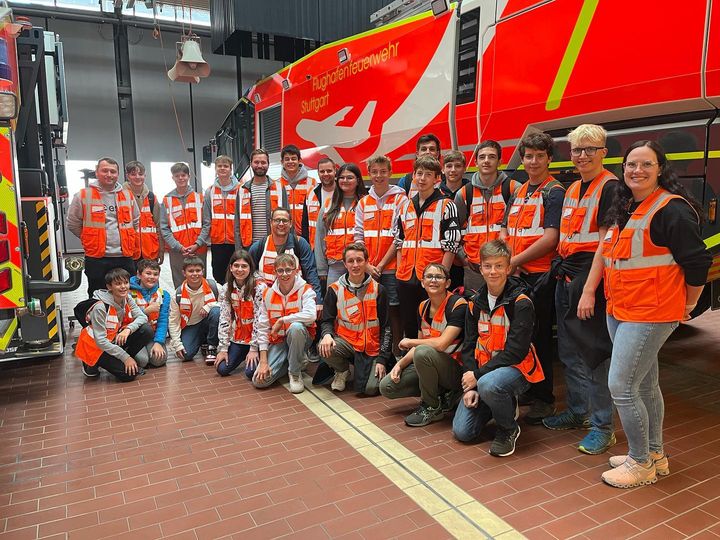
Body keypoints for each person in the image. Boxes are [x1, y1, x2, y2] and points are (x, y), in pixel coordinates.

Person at [600, 140, 711, 488]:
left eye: (646, 164)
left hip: (650, 313)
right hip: (622, 309)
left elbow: (698, 263)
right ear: (623, 169)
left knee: (621, 386)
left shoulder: (671, 209)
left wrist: (688, 304)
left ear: (660, 169)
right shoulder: (628, 205)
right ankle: (654, 454)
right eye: (631, 164)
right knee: (645, 385)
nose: (638, 170)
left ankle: (640, 463)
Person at [542, 124, 619, 453]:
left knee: (594, 353)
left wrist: (589, 289)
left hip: (590, 277)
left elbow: (604, 244)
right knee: (569, 350)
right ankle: (578, 411)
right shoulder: (573, 188)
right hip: (567, 275)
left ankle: (603, 426)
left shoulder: (610, 187)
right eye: (577, 149)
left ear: (603, 152)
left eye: (590, 149)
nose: (582, 155)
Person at [452, 240, 544, 457]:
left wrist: (477, 377)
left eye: (499, 266)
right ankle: (499, 404)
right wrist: (470, 386)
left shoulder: (521, 302)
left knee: (490, 385)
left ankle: (508, 429)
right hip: (484, 374)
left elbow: (516, 352)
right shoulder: (474, 303)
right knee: (463, 432)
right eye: (488, 266)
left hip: (517, 369)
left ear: (508, 268)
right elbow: (469, 345)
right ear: (480, 268)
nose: (493, 271)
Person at [500, 132, 565, 425]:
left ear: (549, 159)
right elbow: (505, 227)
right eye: (528, 156)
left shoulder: (554, 192)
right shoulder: (520, 190)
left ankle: (544, 398)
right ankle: (528, 386)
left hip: (539, 277)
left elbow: (551, 238)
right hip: (517, 275)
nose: (533, 161)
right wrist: (508, 258)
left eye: (540, 156)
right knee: (520, 337)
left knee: (539, 338)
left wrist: (513, 261)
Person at [380, 263, 466, 427]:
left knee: (423, 352)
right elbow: (420, 344)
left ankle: (432, 406)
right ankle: (441, 394)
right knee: (387, 387)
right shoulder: (423, 306)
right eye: (429, 277)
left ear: (447, 283)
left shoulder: (458, 305)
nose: (433, 280)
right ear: (422, 282)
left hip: (455, 370)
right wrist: (400, 364)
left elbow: (441, 344)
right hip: (430, 364)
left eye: (439, 277)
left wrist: (410, 341)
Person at [395, 156, 461, 340]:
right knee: (409, 322)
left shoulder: (447, 205)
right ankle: (409, 356)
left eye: (428, 174)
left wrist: (441, 277)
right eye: (419, 173)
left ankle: (429, 355)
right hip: (406, 276)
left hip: (432, 278)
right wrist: (400, 271)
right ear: (413, 176)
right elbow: (399, 241)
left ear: (437, 178)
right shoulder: (405, 206)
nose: (422, 178)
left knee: (431, 324)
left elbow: (452, 244)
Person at [317, 243, 391, 396]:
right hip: (347, 343)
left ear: (366, 262)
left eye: (359, 260)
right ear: (345, 264)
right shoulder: (334, 289)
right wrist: (327, 335)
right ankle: (342, 370)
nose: (355, 265)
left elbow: (387, 327)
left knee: (370, 390)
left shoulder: (379, 290)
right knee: (323, 347)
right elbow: (326, 320)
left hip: (371, 347)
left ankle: (367, 369)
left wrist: (382, 359)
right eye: (350, 261)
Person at [355, 155, 408, 357]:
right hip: (369, 269)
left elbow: (399, 236)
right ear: (369, 173)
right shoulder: (363, 203)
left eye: (383, 171)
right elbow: (358, 236)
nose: (379, 176)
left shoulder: (401, 199)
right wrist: (367, 265)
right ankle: (376, 353)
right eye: (375, 172)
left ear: (390, 172)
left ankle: (396, 352)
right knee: (372, 310)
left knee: (394, 311)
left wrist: (382, 265)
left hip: (392, 268)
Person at [66, 157, 138, 298]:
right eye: (105, 171)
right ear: (97, 172)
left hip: (125, 257)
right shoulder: (83, 195)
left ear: (118, 174)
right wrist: (89, 238)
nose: (109, 175)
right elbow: (73, 223)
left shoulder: (127, 195)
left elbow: (135, 221)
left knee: (128, 297)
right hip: (97, 258)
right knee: (97, 297)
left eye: (113, 171)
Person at [454, 141, 520, 291]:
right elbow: (454, 231)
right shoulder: (464, 193)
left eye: (492, 157)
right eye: (482, 157)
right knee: (475, 304)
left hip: (505, 267)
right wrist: (464, 258)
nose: (486, 161)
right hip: (474, 268)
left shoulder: (514, 189)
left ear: (500, 161)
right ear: (476, 162)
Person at [75, 268, 154, 382]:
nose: (123, 287)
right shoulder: (100, 307)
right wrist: (125, 358)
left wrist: (128, 329)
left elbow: (143, 317)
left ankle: (121, 361)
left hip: (113, 339)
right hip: (96, 346)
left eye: (126, 282)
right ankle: (90, 364)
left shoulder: (126, 297)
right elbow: (100, 341)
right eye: (118, 284)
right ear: (109, 287)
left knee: (146, 330)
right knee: (128, 375)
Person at [254, 253, 317, 393]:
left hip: (301, 338)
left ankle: (295, 373)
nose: (284, 274)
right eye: (280, 270)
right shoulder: (267, 294)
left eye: (288, 270)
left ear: (296, 271)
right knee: (260, 381)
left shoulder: (306, 290)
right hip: (279, 342)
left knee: (296, 327)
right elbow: (262, 328)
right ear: (275, 272)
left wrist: (283, 319)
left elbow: (311, 315)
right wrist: (263, 362)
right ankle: (297, 360)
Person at [248, 207, 323, 308]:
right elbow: (248, 275)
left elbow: (311, 273)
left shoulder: (300, 244)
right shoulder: (259, 247)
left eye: (284, 220)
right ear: (271, 222)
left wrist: (317, 301)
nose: (281, 224)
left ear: (290, 223)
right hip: (267, 304)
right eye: (277, 220)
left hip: (296, 302)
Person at [215, 250, 268, 377]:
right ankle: (243, 354)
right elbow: (224, 319)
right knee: (222, 369)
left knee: (250, 373)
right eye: (236, 265)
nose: (240, 269)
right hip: (239, 339)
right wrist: (223, 348)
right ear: (231, 268)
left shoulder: (259, 288)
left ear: (250, 268)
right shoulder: (226, 289)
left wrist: (254, 348)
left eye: (244, 266)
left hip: (258, 340)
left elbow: (260, 320)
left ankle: (262, 356)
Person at [315, 163, 367, 285]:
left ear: (358, 180)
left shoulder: (366, 203)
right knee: (334, 296)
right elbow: (319, 237)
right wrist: (321, 268)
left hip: (359, 264)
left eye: (350, 177)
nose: (345, 180)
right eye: (342, 177)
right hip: (335, 265)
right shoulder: (328, 204)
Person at [160, 163, 207, 288]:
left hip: (198, 249)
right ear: (173, 178)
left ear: (189, 176)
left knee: (200, 283)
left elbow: (207, 224)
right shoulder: (167, 200)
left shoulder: (200, 198)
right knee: (180, 284)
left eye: (183, 175)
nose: (181, 178)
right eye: (177, 176)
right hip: (177, 252)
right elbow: (164, 228)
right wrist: (179, 247)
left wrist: (197, 244)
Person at [168, 257, 220, 364]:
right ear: (184, 273)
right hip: (191, 325)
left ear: (203, 271)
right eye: (191, 271)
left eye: (198, 270)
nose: (195, 274)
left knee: (216, 311)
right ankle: (202, 341)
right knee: (186, 355)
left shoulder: (214, 287)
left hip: (208, 321)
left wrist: (209, 306)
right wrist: (177, 345)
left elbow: (226, 305)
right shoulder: (177, 294)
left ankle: (211, 346)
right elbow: (173, 322)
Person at [235, 148, 288, 249]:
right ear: (251, 164)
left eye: (263, 162)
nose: (260, 166)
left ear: (268, 164)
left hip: (275, 244)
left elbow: (288, 219)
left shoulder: (279, 188)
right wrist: (238, 249)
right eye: (256, 162)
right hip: (249, 246)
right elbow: (237, 223)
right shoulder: (242, 190)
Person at [202, 155, 240, 284]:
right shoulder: (210, 191)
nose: (222, 168)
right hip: (217, 241)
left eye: (226, 166)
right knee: (218, 273)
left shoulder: (240, 189)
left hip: (236, 241)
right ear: (215, 169)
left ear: (231, 169)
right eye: (219, 166)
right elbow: (207, 218)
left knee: (237, 272)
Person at [129, 259, 170, 368]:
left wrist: (158, 342)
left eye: (155, 274)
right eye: (148, 273)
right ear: (139, 274)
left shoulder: (163, 295)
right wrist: (146, 311)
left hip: (153, 335)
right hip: (135, 335)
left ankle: (152, 347)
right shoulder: (128, 293)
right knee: (143, 361)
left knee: (159, 360)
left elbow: (163, 321)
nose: (152, 277)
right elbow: (126, 319)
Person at [123, 160, 163, 265]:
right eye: (133, 174)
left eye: (140, 174)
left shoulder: (151, 198)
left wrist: (161, 249)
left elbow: (158, 226)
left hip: (150, 252)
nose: (137, 177)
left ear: (145, 175)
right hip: (129, 253)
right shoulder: (120, 197)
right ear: (127, 176)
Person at [442, 150, 471, 289]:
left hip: (466, 256)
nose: (453, 170)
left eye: (458, 166)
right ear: (442, 169)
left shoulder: (471, 191)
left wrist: (463, 255)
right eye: (449, 166)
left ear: (465, 168)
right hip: (442, 255)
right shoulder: (436, 193)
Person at [278, 144, 317, 239]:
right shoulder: (277, 184)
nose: (290, 162)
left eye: (293, 158)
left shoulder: (312, 183)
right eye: (287, 159)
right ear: (282, 162)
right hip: (283, 235)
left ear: (299, 161)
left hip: (306, 235)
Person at [302, 157, 337, 251]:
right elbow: (305, 224)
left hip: (338, 248)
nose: (325, 174)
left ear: (335, 171)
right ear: (318, 173)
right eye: (322, 171)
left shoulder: (343, 192)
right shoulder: (311, 193)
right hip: (316, 248)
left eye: (329, 171)